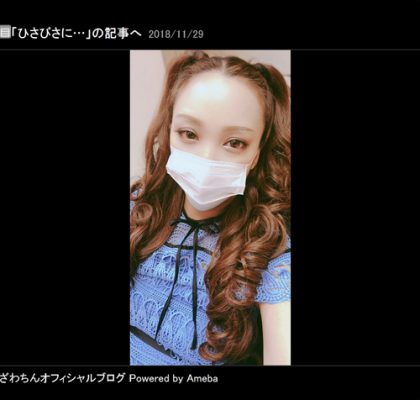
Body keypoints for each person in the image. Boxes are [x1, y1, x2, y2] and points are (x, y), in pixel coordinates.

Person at [130, 51, 291, 365]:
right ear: (168, 131)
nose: (206, 158)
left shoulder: (270, 252)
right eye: (189, 134)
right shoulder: (140, 209)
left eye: (235, 143)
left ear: (257, 152)